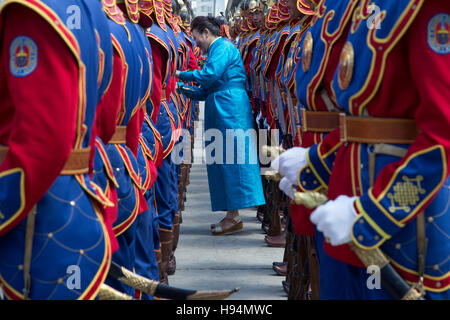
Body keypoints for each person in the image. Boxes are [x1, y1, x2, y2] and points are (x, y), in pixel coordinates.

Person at [176, 16, 266, 236]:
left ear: (206, 32)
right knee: (223, 160)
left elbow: (209, 76)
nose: (196, 43)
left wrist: (179, 74)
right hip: (222, 104)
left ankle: (233, 216)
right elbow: (204, 91)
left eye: (196, 37)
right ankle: (231, 214)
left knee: (233, 159)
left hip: (229, 107)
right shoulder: (218, 49)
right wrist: (178, 87)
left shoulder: (222, 47)